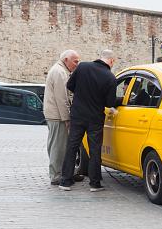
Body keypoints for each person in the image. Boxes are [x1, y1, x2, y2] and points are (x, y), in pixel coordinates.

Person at [59, 50, 117, 192]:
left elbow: (69, 86)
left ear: (100, 57)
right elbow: (110, 102)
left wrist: (81, 94)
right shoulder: (110, 77)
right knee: (95, 149)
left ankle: (65, 181)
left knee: (72, 146)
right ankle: (94, 184)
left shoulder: (83, 66)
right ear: (111, 61)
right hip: (95, 118)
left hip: (77, 114)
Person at [43, 49, 80, 185]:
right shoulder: (59, 72)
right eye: (75, 61)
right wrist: (67, 118)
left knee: (61, 145)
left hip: (56, 114)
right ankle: (56, 175)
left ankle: (66, 172)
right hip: (57, 116)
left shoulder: (61, 70)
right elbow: (62, 98)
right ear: (66, 60)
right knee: (58, 146)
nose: (77, 64)